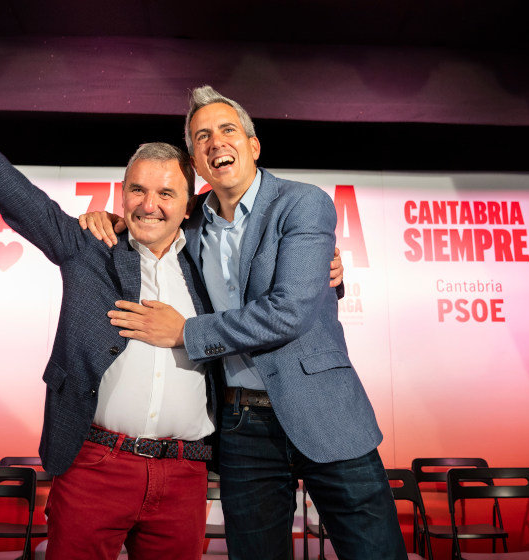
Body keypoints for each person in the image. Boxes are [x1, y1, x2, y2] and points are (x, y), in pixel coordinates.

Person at [0, 45, 343, 559]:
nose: (149, 204)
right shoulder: (89, 249)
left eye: (166, 193)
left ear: (189, 203)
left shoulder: (211, 267)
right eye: (137, 190)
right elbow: (4, 186)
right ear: (121, 193)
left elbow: (279, 296)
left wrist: (331, 274)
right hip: (94, 466)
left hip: (185, 475)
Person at [83, 87, 406, 559]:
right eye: (202, 137)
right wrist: (109, 219)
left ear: (253, 146)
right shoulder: (189, 225)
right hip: (241, 423)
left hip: (325, 408)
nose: (216, 143)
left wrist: (186, 333)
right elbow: (149, 216)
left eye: (227, 130)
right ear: (194, 161)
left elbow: (290, 310)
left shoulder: (302, 203)